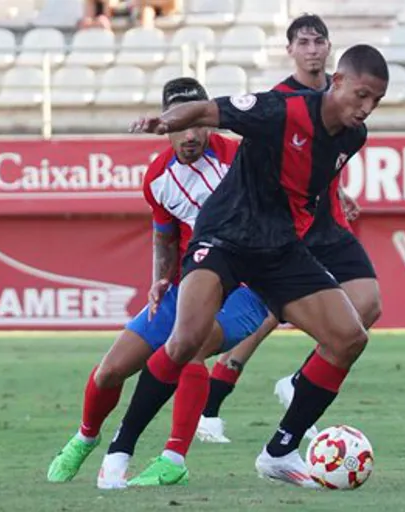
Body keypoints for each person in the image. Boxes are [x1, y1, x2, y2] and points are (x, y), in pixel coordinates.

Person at [126, 43, 389, 488]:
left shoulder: (353, 137)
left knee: (349, 337)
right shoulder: (280, 109)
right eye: (361, 95)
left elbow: (312, 173)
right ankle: (125, 446)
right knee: (186, 341)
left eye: (376, 101)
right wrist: (165, 122)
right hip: (229, 235)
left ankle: (279, 451)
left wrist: (332, 196)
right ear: (337, 80)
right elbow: (208, 109)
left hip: (280, 247)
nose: (366, 108)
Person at [45, 77, 270, 490]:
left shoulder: (241, 159)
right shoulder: (156, 179)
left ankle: (173, 457)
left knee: (193, 346)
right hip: (190, 286)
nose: (190, 135)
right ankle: (85, 437)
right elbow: (165, 236)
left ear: (208, 120)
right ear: (165, 126)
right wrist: (161, 279)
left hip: (249, 288)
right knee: (112, 369)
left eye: (197, 123)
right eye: (179, 125)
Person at [195, 14, 381, 446]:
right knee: (263, 315)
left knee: (366, 306)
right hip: (280, 229)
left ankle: (298, 383)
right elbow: (262, 163)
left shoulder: (344, 103)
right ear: (291, 50)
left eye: (320, 41)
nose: (312, 48)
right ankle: (214, 395)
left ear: (331, 53)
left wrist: (339, 189)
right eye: (304, 41)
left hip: (327, 223)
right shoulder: (278, 101)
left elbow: (322, 157)